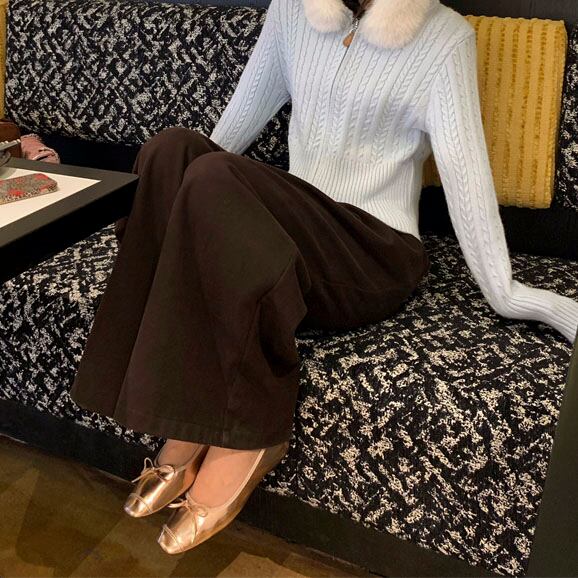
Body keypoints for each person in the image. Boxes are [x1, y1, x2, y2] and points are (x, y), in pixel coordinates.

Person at [68, 0, 578, 555]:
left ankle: (249, 434)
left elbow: (466, 173)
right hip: (299, 227)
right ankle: (191, 415)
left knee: (211, 173)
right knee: (170, 149)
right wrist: (186, 206)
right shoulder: (294, 10)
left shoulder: (444, 37)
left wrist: (512, 295)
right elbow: (236, 122)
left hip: (373, 248)